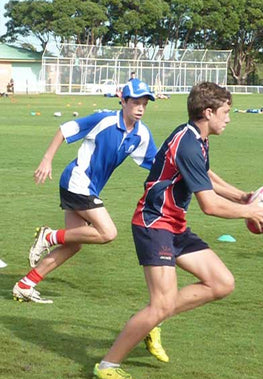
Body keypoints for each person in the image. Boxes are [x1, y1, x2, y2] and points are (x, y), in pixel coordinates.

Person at [93, 82, 263, 379]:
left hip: (174, 224)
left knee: (221, 283)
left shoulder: (196, 137)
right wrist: (250, 211)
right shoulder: (189, 143)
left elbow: (204, 175)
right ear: (208, 112)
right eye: (226, 112)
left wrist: (241, 196)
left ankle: (151, 321)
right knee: (161, 303)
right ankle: (107, 366)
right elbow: (209, 205)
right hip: (154, 224)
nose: (229, 118)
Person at [12, 78, 169, 362]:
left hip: (86, 188)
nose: (140, 108)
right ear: (123, 101)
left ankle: (24, 285)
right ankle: (49, 236)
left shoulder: (141, 134)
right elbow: (64, 129)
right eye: (135, 102)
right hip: (76, 183)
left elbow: (156, 163)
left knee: (74, 245)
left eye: (144, 104)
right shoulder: (104, 120)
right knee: (108, 232)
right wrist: (47, 159)